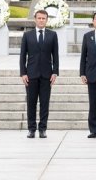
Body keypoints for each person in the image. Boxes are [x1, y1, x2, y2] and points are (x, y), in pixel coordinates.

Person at [19, 9, 60, 138]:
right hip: (30, 75)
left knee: (44, 103)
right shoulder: (27, 35)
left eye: (43, 18)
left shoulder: (52, 35)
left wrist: (55, 72)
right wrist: (23, 73)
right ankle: (31, 129)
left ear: (46, 20)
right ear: (35, 19)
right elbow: (22, 56)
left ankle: (43, 129)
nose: (41, 20)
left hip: (47, 75)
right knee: (31, 103)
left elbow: (56, 55)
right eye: (39, 18)